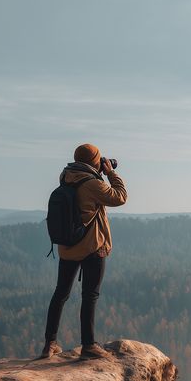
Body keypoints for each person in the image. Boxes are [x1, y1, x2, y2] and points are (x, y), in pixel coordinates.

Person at [40, 143, 128, 359]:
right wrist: (110, 173)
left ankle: (49, 344)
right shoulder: (92, 184)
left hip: (68, 248)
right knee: (90, 296)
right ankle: (88, 345)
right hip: (92, 247)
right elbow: (120, 197)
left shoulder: (67, 177)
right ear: (95, 161)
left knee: (60, 294)